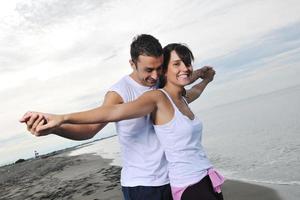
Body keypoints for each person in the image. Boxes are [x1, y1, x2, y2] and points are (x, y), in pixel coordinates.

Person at [20, 35, 213, 200]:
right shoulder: (119, 92)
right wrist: (56, 125)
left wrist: (202, 75)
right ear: (132, 63)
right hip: (142, 185)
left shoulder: (158, 82)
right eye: (148, 70)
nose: (155, 76)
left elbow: (180, 87)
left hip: (171, 179)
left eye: (159, 68)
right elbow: (89, 130)